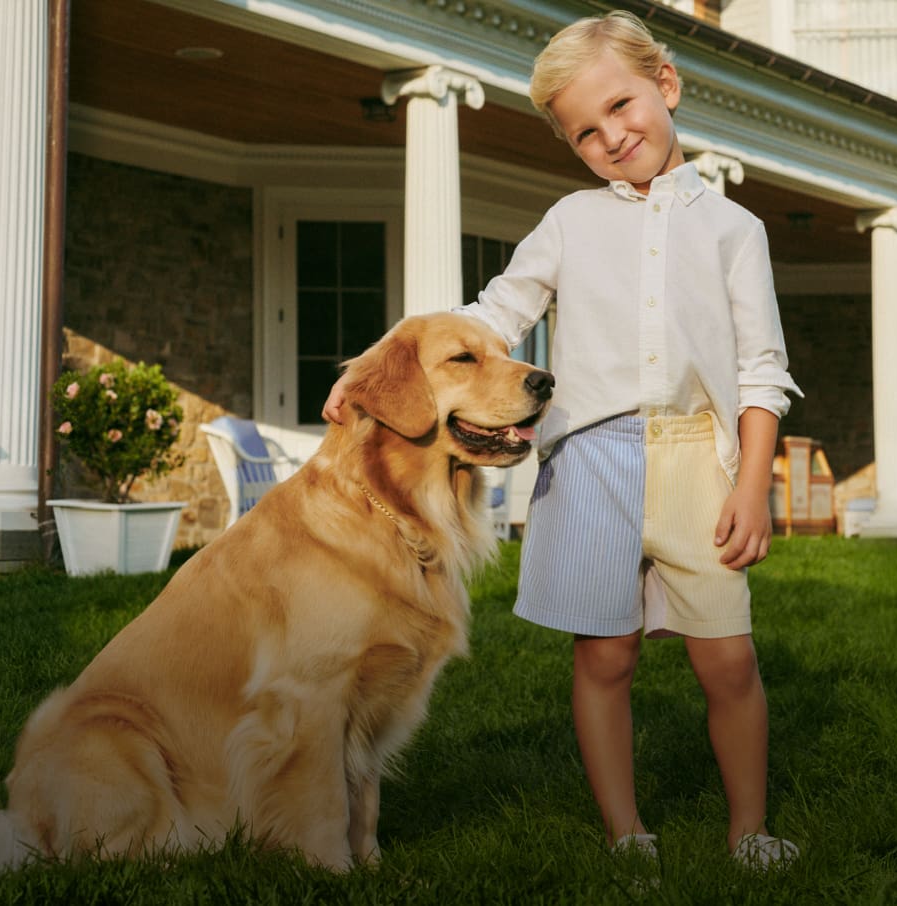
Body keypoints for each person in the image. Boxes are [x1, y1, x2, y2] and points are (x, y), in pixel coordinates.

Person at [324, 9, 801, 870]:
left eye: (622, 107)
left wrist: (751, 484)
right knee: (606, 655)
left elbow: (763, 371)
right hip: (590, 458)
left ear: (666, 85)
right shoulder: (570, 222)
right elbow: (493, 312)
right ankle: (627, 836)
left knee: (728, 661)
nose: (613, 137)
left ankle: (751, 832)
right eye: (586, 132)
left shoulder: (738, 232)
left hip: (699, 458)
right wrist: (374, 366)